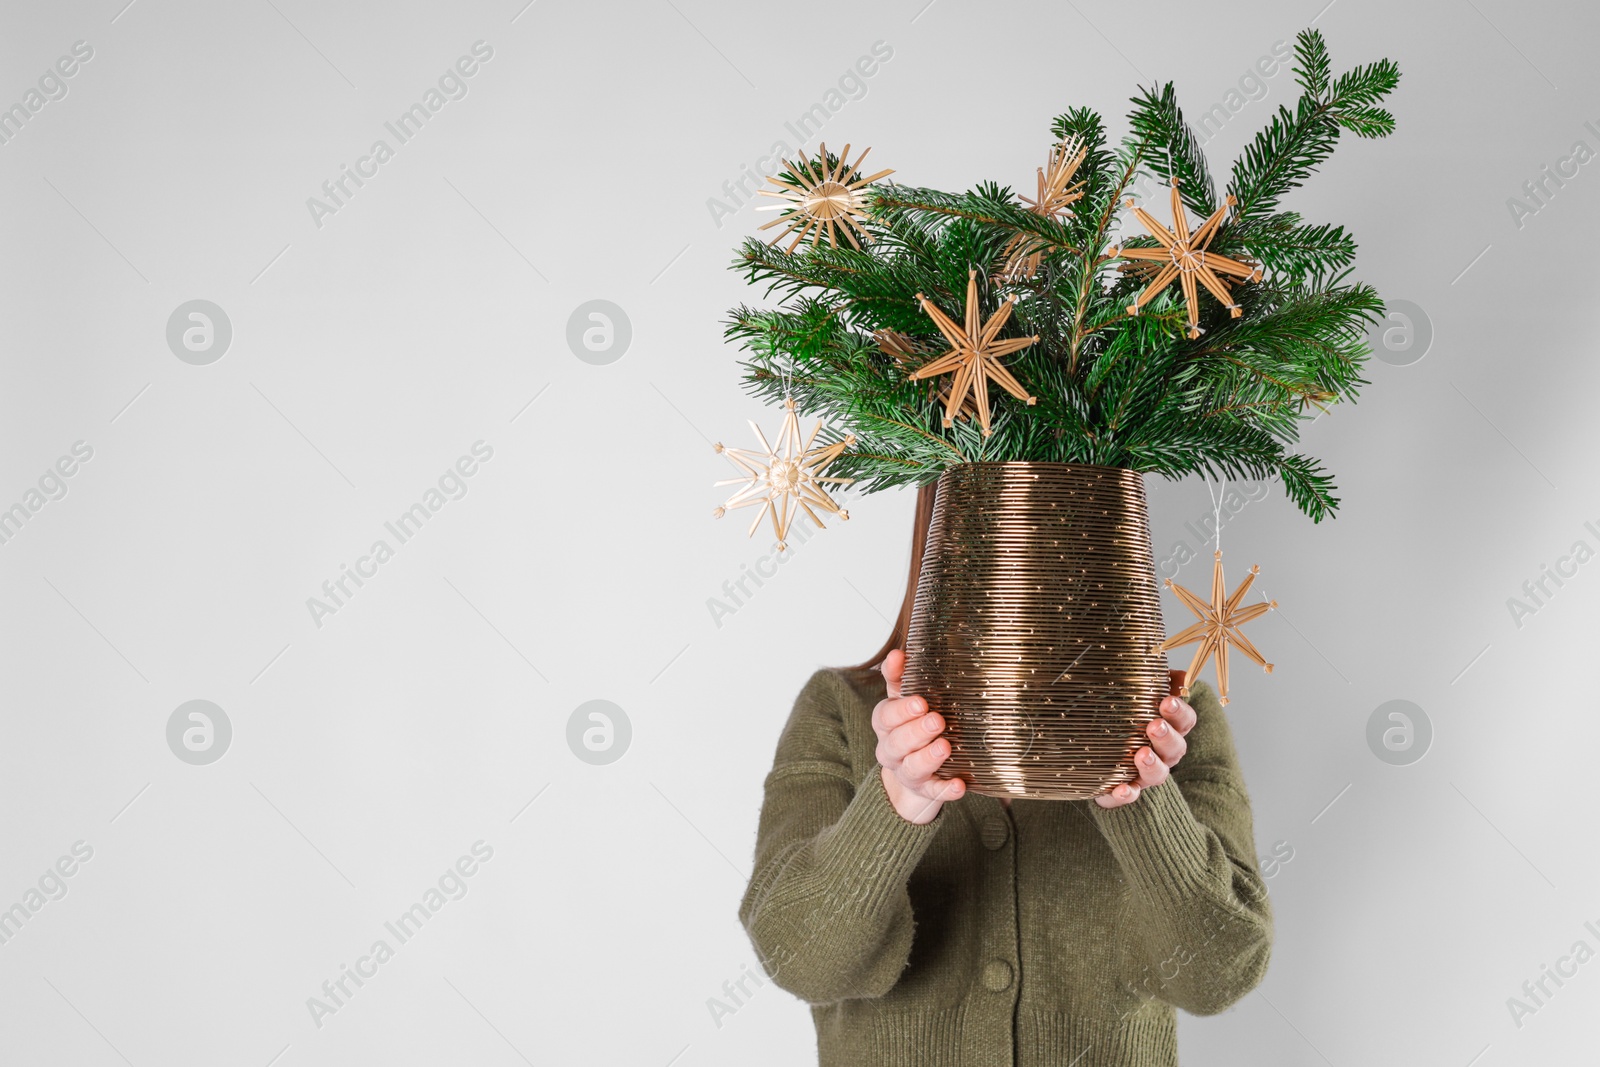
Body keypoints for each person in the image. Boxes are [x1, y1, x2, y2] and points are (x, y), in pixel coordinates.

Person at [739, 482, 1273, 1066]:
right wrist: (897, 800)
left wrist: (1141, 793)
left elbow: (1219, 974)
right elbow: (799, 962)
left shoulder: (1172, 716)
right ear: (953, 529)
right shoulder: (841, 707)